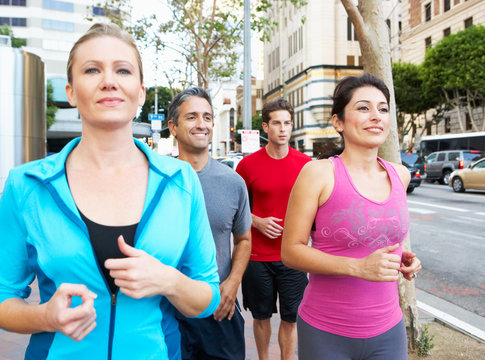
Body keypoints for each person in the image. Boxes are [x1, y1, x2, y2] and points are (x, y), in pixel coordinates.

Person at [0, 23, 220, 360]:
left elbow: (207, 297)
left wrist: (169, 281)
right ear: (71, 91)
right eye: (92, 69)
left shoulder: (180, 180)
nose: (108, 80)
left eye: (122, 70)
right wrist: (44, 316)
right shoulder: (27, 185)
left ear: (139, 92)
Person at [281, 73, 422, 360]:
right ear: (338, 122)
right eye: (363, 108)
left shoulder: (401, 175)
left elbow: (379, 235)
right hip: (326, 331)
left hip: (389, 329)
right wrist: (358, 267)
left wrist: (405, 258)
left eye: (383, 109)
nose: (376, 116)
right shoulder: (318, 173)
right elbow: (290, 251)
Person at [168, 87, 252, 360]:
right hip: (166, 310)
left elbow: (244, 239)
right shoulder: (155, 180)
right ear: (173, 127)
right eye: (191, 117)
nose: (201, 124)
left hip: (218, 309)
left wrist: (233, 282)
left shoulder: (233, 182)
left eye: (207, 117)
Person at [235, 98, 310, 360]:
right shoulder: (247, 165)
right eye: (276, 123)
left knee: (291, 318)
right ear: (265, 127)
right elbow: (238, 208)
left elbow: (315, 209)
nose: (282, 128)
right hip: (257, 257)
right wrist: (257, 221)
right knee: (260, 316)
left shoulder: (305, 165)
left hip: (294, 255)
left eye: (287, 123)